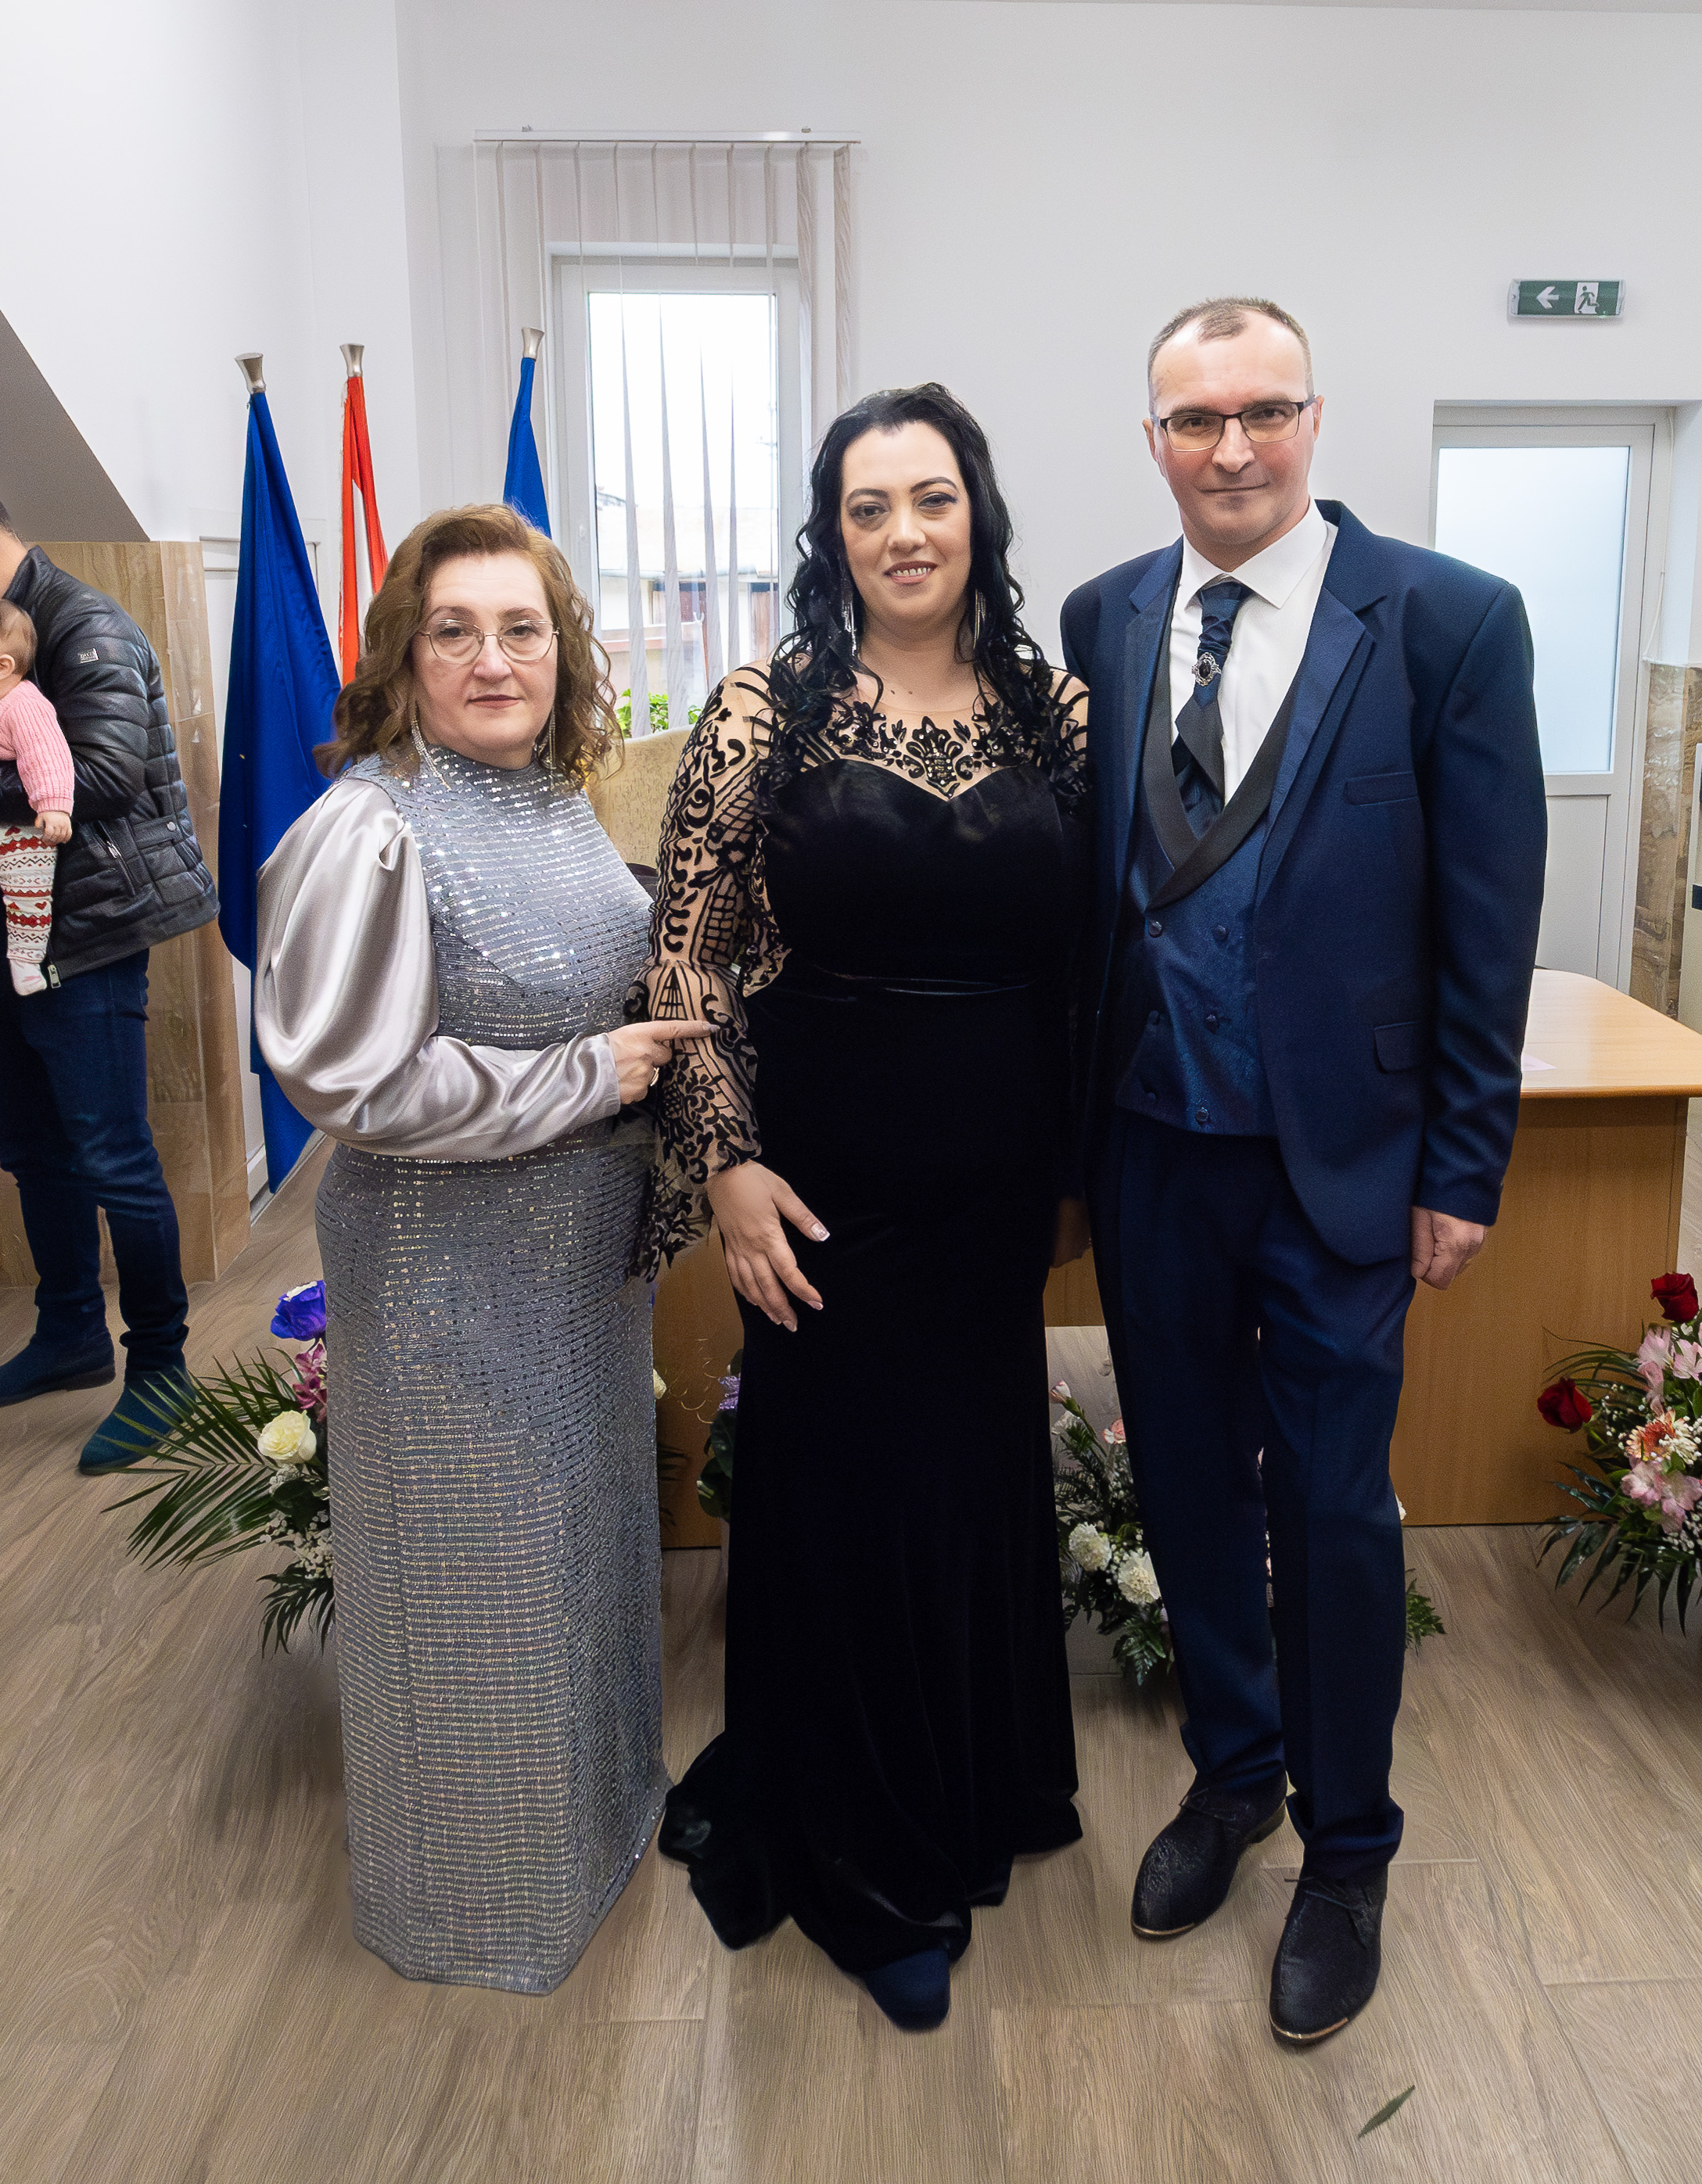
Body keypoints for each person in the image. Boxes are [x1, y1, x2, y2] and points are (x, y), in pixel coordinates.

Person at [1061, 298, 1544, 2045]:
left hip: (1344, 1166)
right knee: (1187, 1486)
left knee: (1333, 1512)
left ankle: (1346, 1852)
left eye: (1263, 410)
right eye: (1195, 419)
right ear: (1153, 442)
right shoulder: (1104, 617)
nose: (1232, 447)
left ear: (1314, 419)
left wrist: (1462, 1164)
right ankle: (1232, 1773)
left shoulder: (1446, 621)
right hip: (1152, 1155)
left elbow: (1486, 922)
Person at [634, 383, 1086, 2032]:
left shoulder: (1055, 709)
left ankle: (976, 1778)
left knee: (969, 1477)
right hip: (820, 1182)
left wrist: (1074, 1167)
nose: (903, 532)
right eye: (867, 506)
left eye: (931, 497)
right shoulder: (767, 709)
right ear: (831, 536)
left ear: (979, 513)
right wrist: (727, 1159)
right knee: (845, 1494)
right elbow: (682, 957)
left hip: (995, 1178)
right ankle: (867, 1862)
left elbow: (1087, 953)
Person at [254, 503, 709, 1994]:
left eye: (521, 629)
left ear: (561, 651)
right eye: (453, 630)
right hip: (442, 1281)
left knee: (575, 1554)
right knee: (472, 1579)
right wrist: (588, 1076)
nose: (491, 659)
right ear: (404, 654)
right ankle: (475, 1899)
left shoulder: (549, 797)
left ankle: (593, 1832)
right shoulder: (372, 824)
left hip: (575, 1275)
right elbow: (352, 1080)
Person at [0, 507, 220, 1469]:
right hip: (17, 932)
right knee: (30, 1149)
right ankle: (70, 1334)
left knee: (114, 1158)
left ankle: (161, 1367)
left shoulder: (83, 623)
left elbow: (104, 775)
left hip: (87, 932)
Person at [0, 602, 74, 993]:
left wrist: (54, 806)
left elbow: (47, 756)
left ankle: (26, 960)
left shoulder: (24, 705)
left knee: (27, 887)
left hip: (26, 825)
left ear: (3, 666)